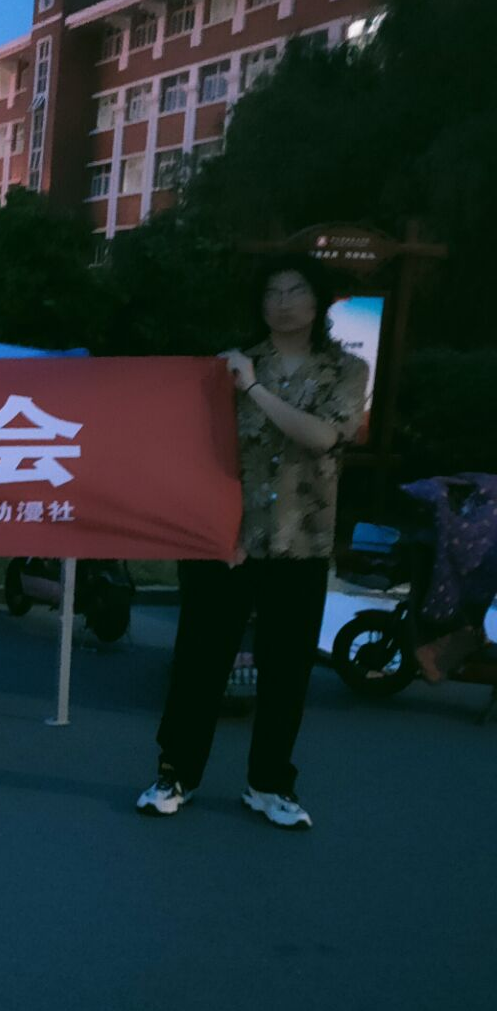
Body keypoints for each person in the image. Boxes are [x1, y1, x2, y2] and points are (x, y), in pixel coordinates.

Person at [136, 254, 368, 829]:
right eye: (272, 292)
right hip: (226, 540)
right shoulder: (227, 367)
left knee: (286, 670)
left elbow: (322, 437)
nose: (283, 302)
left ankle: (269, 784)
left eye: (296, 290)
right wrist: (210, 525)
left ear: (318, 300)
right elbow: (198, 451)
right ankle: (176, 773)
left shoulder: (344, 369)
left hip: (301, 539)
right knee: (199, 662)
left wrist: (256, 388)